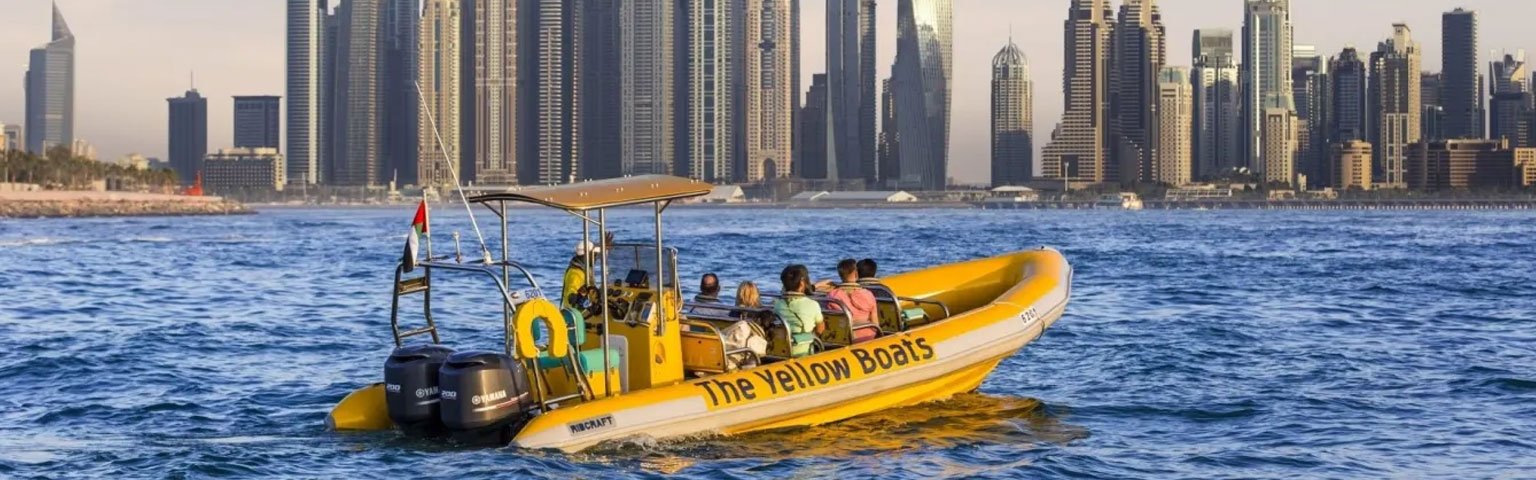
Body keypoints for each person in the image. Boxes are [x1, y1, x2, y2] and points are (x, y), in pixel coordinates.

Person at [773, 265, 825, 357]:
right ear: (802, 283)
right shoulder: (813, 304)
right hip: (803, 351)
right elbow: (820, 329)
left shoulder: (777, 304)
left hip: (781, 351)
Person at [825, 259, 879, 343]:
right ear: (857, 274)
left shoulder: (832, 295)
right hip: (866, 337)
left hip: (840, 336)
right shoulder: (868, 294)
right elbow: (875, 323)